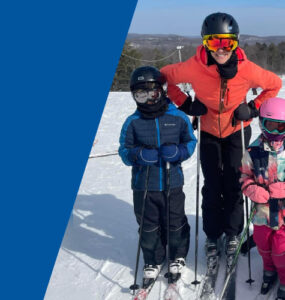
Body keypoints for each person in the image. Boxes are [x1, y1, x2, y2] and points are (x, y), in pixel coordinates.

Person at [160, 12, 282, 265]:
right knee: (213, 185)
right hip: (208, 132)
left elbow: (273, 84)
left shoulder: (247, 69)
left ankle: (233, 232)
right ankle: (213, 235)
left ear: (236, 43)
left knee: (236, 183)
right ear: (205, 43)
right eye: (214, 43)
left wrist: (253, 106)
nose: (221, 50)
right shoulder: (193, 66)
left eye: (228, 43)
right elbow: (164, 77)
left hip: (237, 130)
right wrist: (186, 103)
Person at [118, 66, 197, 286]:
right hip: (144, 185)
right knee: (148, 224)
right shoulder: (132, 121)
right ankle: (153, 259)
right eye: (140, 94)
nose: (147, 99)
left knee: (175, 221)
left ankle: (177, 255)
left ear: (161, 91)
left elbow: (190, 142)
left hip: (173, 181)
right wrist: (139, 155)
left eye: (152, 92)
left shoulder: (178, 117)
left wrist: (179, 153)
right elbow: (124, 151)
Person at [240, 97, 285, 299]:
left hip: (284, 214)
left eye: (281, 127)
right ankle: (269, 269)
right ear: (262, 124)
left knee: (281, 248)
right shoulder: (252, 150)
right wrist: (251, 189)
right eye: (271, 126)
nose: (276, 132)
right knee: (262, 243)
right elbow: (244, 177)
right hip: (262, 213)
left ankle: (283, 277)